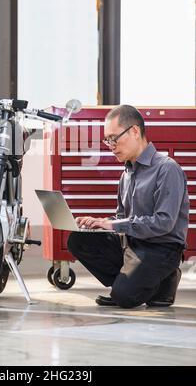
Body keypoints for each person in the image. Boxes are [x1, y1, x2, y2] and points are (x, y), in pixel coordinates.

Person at [67, 105, 189, 308]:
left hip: (161, 248)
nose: (110, 145)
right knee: (78, 240)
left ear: (134, 131)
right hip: (132, 244)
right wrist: (100, 223)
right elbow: (123, 218)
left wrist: (113, 225)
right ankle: (136, 282)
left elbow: (164, 223)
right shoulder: (127, 174)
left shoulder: (167, 169)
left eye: (114, 138)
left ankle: (164, 278)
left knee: (124, 297)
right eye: (107, 140)